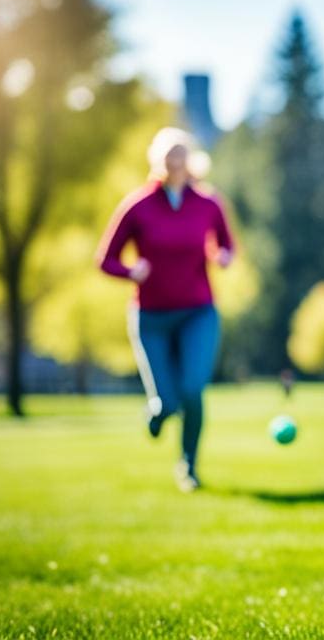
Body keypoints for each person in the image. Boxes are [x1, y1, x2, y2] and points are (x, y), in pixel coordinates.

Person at [97, 127, 234, 492]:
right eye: (168, 153)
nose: (175, 160)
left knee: (192, 390)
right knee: (169, 401)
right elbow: (105, 260)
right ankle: (159, 411)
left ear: (190, 159)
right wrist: (130, 271)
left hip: (197, 313)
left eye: (181, 153)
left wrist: (222, 256)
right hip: (151, 317)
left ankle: (188, 465)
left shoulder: (208, 203)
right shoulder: (137, 205)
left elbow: (227, 245)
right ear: (157, 160)